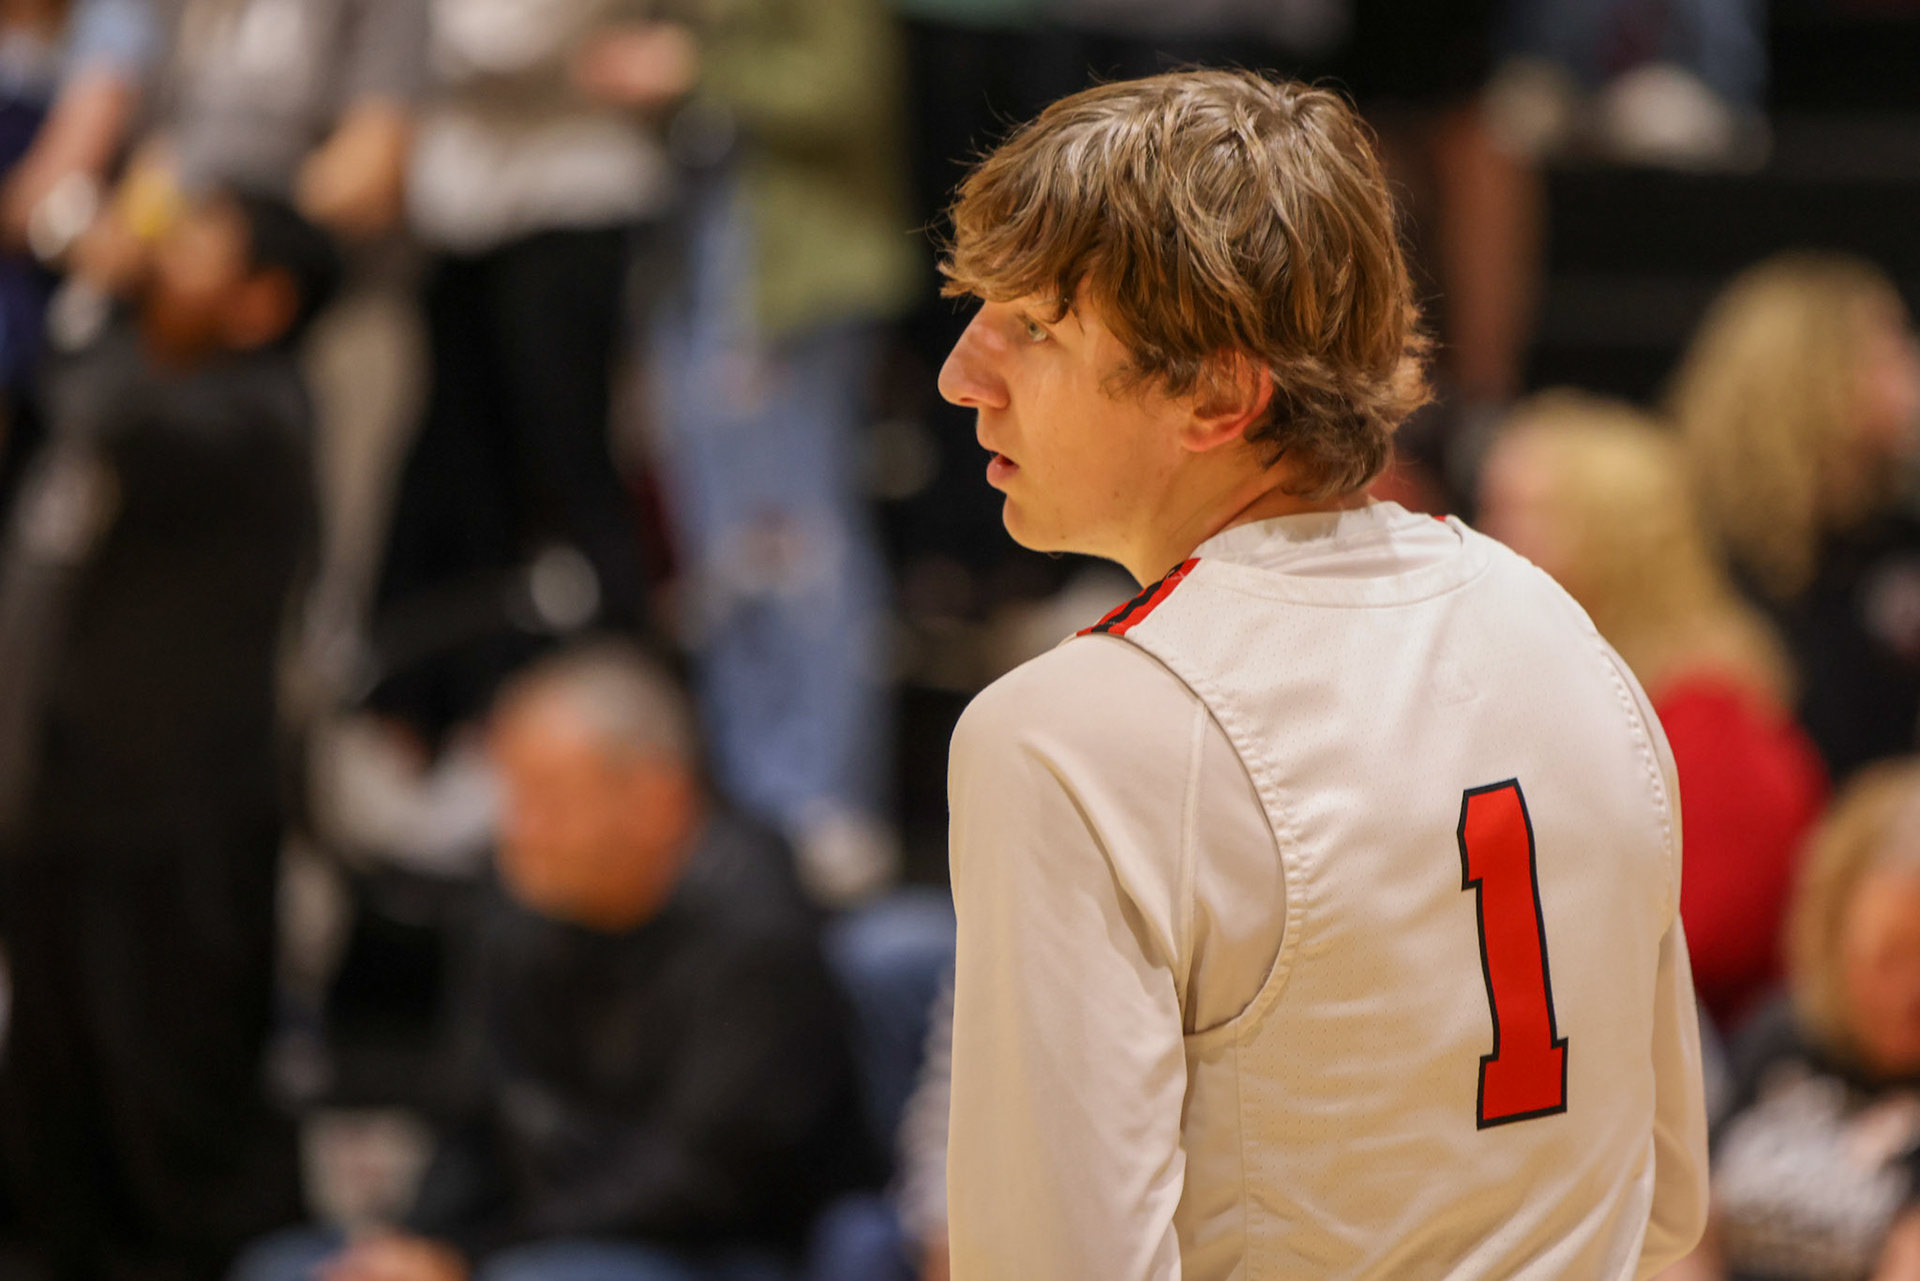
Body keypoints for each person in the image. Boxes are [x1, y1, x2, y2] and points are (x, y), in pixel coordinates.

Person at [935, 70, 1708, 1278]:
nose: (961, 375)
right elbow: (1663, 1210)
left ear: (1218, 394)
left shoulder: (1064, 734)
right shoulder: (1564, 634)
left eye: (1034, 326)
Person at [236, 642, 875, 1281]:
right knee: (281, 1269)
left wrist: (470, 1256)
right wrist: (413, 1243)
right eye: (513, 796)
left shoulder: (758, 932)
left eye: (549, 800)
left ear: (656, 798)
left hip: (711, 1249)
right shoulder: (517, 906)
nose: (520, 829)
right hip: (542, 1234)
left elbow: (704, 1183)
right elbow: (472, 1121)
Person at [0, 187, 339, 1280]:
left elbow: (100, 407)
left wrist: (94, 266)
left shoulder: (258, 420)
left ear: (262, 303)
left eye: (199, 244)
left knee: (169, 1118)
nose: (163, 253)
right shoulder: (146, 393)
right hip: (66, 805)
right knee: (54, 1110)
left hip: (183, 831)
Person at [1478, 392, 1828, 1033]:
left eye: (1521, 514)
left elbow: (1690, 947)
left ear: (1618, 542)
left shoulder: (1707, 720)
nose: (1485, 542)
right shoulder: (1533, 692)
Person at [1660, 760, 1920, 1281]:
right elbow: (1687, 1227)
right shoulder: (1781, 1033)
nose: (1910, 991)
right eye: (1886, 956)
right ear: (1833, 935)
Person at [1672, 251, 1920, 785]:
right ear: (1815, 377)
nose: (1911, 368)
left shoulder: (1889, 536)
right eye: (1890, 347)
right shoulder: (1702, 547)